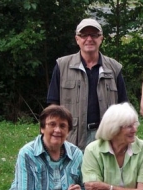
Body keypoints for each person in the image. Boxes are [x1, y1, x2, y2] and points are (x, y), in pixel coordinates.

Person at [46, 18, 129, 150]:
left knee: (103, 171)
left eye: (94, 35)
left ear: (101, 38)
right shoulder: (62, 66)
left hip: (106, 137)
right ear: (77, 39)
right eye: (84, 35)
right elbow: (53, 106)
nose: (89, 39)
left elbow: (124, 106)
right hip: (71, 137)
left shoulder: (114, 68)